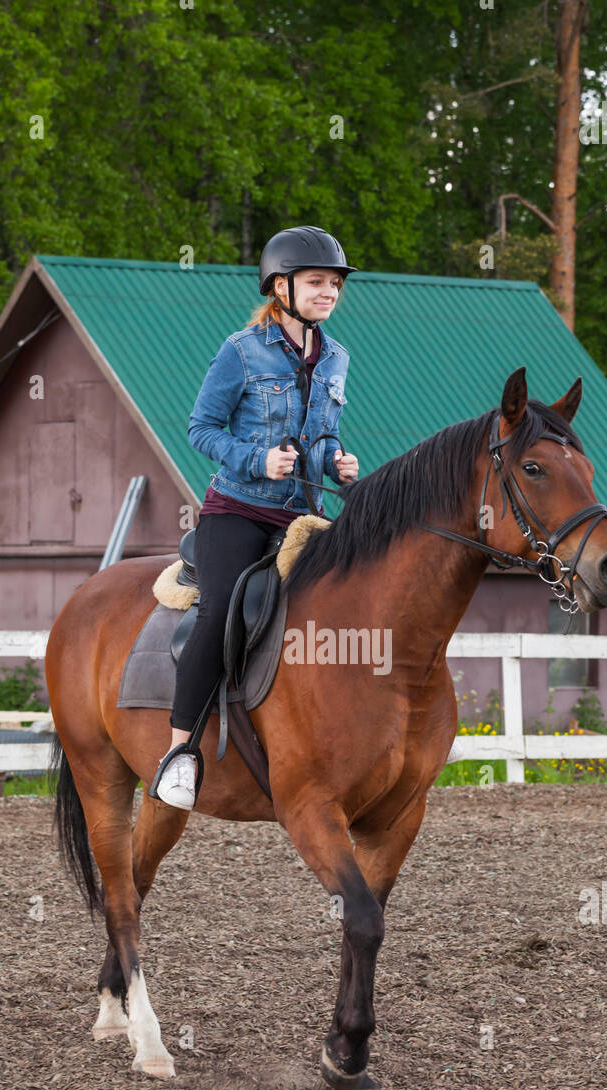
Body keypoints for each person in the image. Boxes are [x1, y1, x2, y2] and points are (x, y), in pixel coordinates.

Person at [150, 225, 360, 810]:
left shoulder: (338, 357)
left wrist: (337, 462)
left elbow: (323, 432)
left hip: (306, 515)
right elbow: (200, 429)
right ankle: (179, 753)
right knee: (219, 612)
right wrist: (257, 460)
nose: (329, 292)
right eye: (317, 282)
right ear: (280, 285)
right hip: (237, 510)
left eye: (335, 284)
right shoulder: (241, 350)